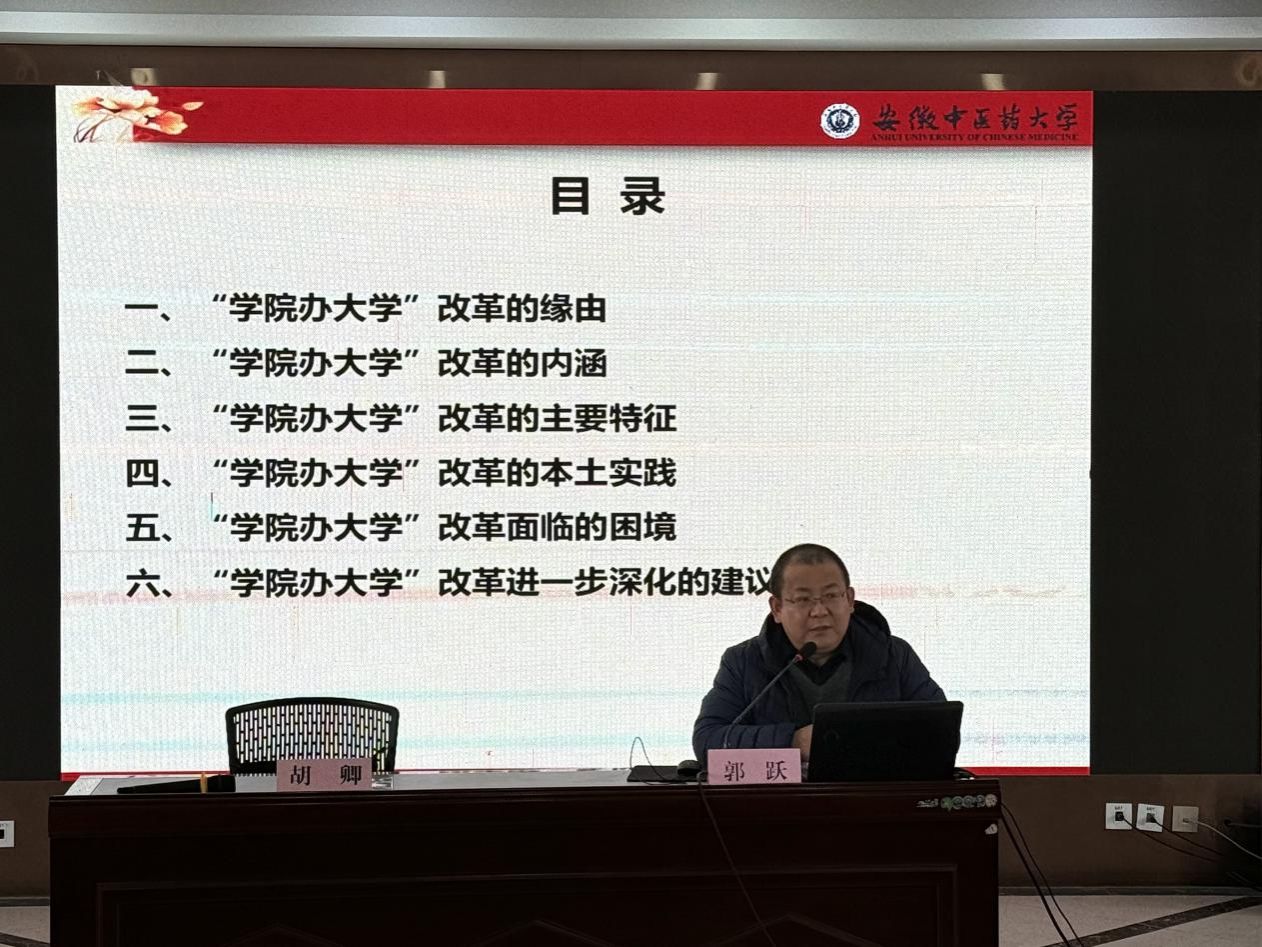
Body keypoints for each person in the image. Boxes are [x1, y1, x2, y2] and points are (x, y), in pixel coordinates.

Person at [692, 543, 944, 761]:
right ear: (777, 608)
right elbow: (708, 740)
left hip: (876, 798)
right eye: (803, 599)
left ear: (849, 600)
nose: (820, 611)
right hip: (781, 800)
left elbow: (942, 732)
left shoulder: (894, 655)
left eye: (831, 595)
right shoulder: (744, 661)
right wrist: (793, 741)